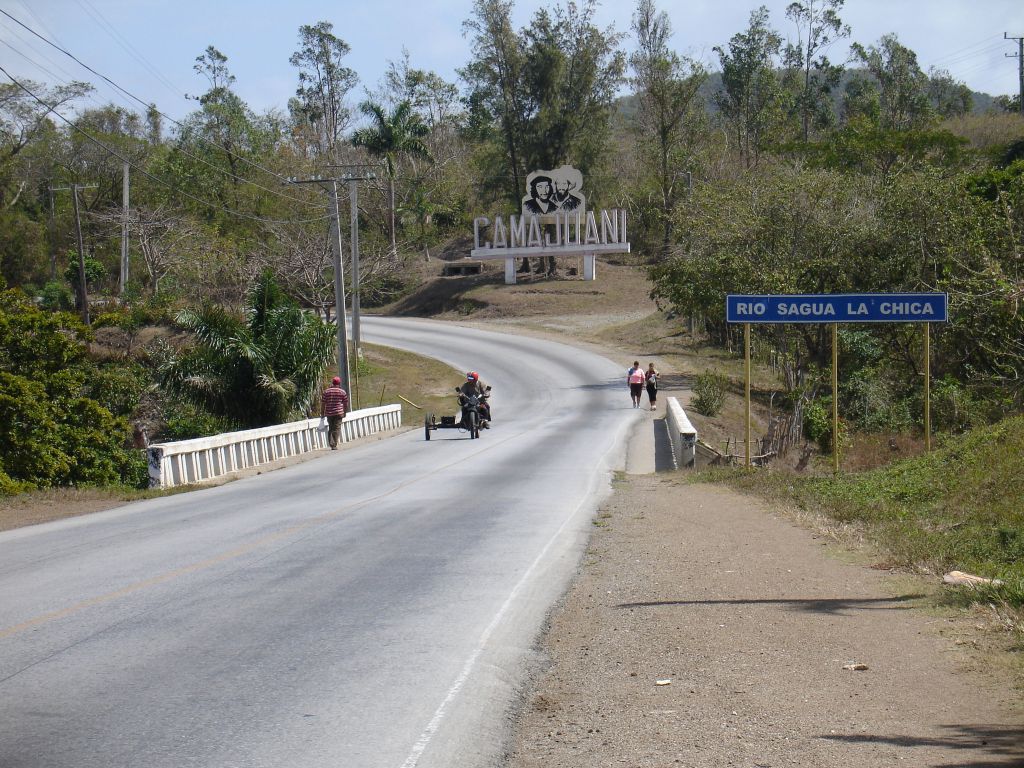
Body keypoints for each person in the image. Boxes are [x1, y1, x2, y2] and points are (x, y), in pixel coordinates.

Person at [320, 375, 349, 450]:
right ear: (339, 383)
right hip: (339, 413)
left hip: (329, 413)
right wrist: (344, 412)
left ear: (332, 383)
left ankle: (331, 443)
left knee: (331, 428)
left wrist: (322, 413)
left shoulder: (326, 392)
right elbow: (345, 404)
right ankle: (334, 444)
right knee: (336, 428)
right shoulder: (342, 392)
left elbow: (323, 403)